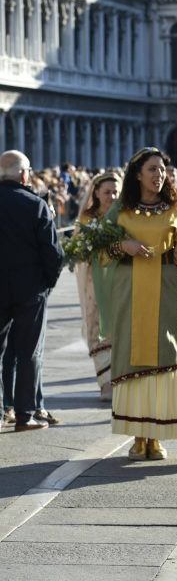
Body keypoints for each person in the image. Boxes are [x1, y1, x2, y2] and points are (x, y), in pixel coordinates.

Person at [104, 148, 177, 460]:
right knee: (132, 355)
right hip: (129, 288)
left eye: (162, 170)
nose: (159, 176)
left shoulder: (176, 207)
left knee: (162, 353)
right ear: (138, 174)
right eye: (152, 170)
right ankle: (137, 434)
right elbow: (101, 249)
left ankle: (156, 434)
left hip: (164, 287)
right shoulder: (121, 210)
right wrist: (122, 245)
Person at [0, 150, 64, 432]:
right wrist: (47, 283)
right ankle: (26, 414)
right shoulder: (35, 205)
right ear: (24, 174)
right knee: (29, 352)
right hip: (30, 291)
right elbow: (53, 253)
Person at [75, 172, 120, 401]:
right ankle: (105, 384)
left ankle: (121, 380)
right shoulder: (87, 219)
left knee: (121, 329)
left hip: (122, 280)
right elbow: (80, 248)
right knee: (97, 326)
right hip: (95, 282)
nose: (112, 196)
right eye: (107, 192)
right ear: (96, 194)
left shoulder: (126, 216)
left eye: (115, 192)